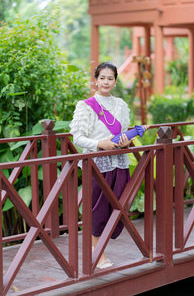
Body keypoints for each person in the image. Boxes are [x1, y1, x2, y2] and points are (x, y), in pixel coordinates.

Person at [70, 62, 135, 269]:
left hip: (119, 162)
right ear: (96, 80)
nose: (106, 82)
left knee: (117, 207)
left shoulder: (121, 105)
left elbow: (122, 132)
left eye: (110, 78)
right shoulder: (86, 105)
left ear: (115, 81)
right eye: (102, 78)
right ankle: (98, 254)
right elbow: (78, 137)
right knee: (96, 209)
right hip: (96, 164)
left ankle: (97, 248)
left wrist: (125, 140)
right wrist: (100, 144)